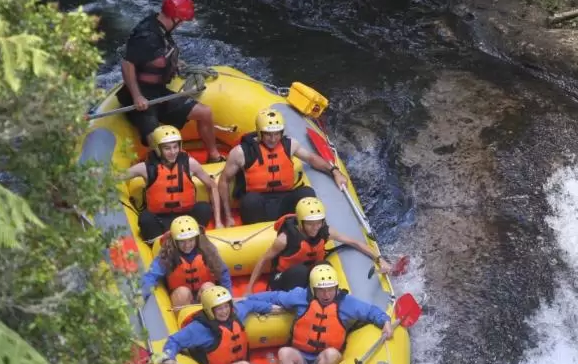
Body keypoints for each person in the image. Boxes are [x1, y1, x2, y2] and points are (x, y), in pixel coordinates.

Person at [117, 0, 224, 163]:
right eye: (182, 20)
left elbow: (158, 56)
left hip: (158, 93)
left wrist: (175, 63)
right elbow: (127, 64)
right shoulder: (147, 37)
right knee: (159, 140)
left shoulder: (160, 28)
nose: (182, 24)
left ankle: (214, 156)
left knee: (205, 112)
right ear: (176, 18)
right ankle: (165, 172)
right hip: (140, 99)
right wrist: (137, 96)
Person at [254, 264, 396, 364]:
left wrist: (385, 322)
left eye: (330, 289)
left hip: (325, 361)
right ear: (313, 289)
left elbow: (371, 311)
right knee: (284, 352)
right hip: (301, 361)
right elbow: (275, 297)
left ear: (336, 287)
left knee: (331, 354)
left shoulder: (346, 302)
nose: (326, 295)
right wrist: (248, 300)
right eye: (321, 290)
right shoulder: (300, 296)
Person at [217, 109, 347, 226]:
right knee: (250, 200)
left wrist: (334, 171)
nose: (273, 139)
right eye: (268, 134)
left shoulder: (290, 144)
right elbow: (224, 180)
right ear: (260, 132)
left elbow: (311, 158)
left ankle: (302, 227)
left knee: (307, 192)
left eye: (277, 134)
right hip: (257, 204)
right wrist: (228, 216)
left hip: (284, 199)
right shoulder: (241, 152)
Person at [247, 196, 400, 292]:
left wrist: (380, 260)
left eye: (318, 223)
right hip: (282, 279)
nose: (315, 228)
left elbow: (355, 243)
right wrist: (249, 289)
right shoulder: (284, 239)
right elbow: (263, 260)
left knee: (325, 266)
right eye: (310, 224)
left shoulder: (325, 231)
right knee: (300, 271)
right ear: (301, 222)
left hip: (311, 275)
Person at [159, 285, 277, 364]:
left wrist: (270, 308)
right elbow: (174, 340)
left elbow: (249, 304)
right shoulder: (200, 328)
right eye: (219, 309)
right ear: (210, 310)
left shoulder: (235, 313)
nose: (224, 311)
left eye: (226, 306)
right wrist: (168, 357)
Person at [121, 125, 222, 240]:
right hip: (159, 219)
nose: (173, 152)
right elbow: (117, 177)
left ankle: (193, 237)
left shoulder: (190, 163)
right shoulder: (145, 168)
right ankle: (159, 243)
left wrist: (218, 221)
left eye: (175, 147)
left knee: (204, 207)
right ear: (158, 149)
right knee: (145, 218)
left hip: (187, 220)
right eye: (167, 148)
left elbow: (212, 185)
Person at [140, 215, 233, 309]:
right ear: (174, 241)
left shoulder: (206, 249)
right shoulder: (168, 253)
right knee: (183, 292)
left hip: (203, 294)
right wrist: (142, 294)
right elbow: (152, 275)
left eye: (191, 240)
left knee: (208, 287)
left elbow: (223, 271)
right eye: (182, 242)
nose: (187, 245)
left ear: (196, 238)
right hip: (181, 298)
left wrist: (229, 298)